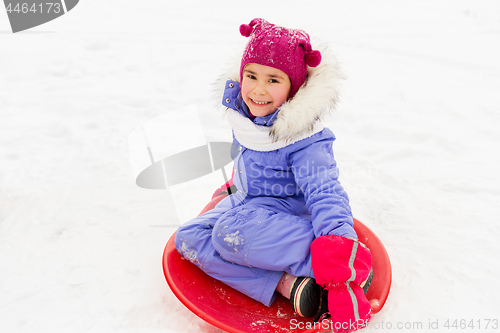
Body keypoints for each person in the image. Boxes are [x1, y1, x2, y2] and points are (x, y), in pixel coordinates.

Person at [175, 18, 372, 331]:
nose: (258, 89)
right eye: (251, 76)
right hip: (252, 203)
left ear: (293, 88)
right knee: (188, 238)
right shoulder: (248, 117)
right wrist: (234, 187)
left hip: (289, 216)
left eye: (273, 80)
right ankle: (288, 284)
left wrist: (338, 246)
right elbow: (250, 161)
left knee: (227, 235)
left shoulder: (305, 139)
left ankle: (341, 261)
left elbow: (325, 193)